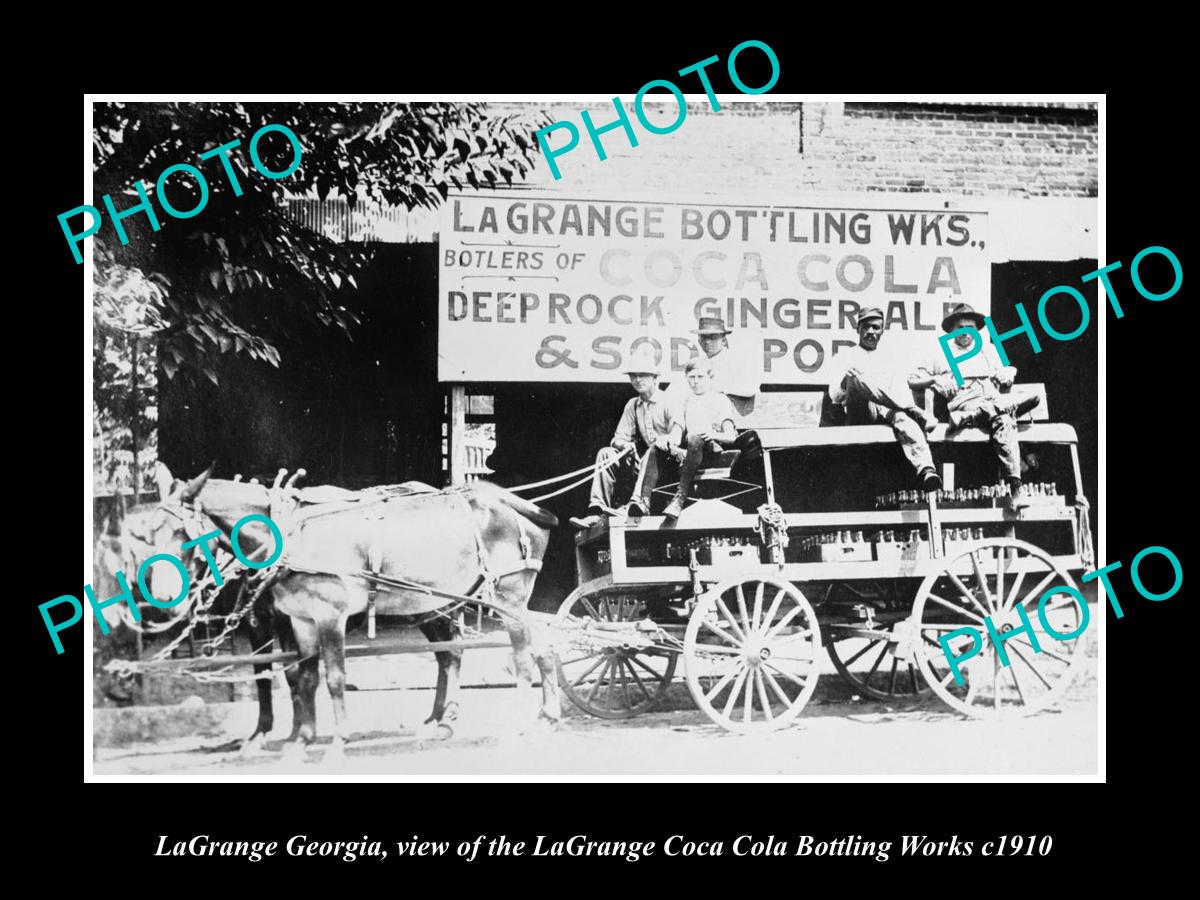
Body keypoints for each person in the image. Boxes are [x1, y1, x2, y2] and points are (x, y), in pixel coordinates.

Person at [908, 302, 1041, 509]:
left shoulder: (988, 350)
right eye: (960, 328)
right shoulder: (939, 352)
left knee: (1030, 400)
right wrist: (934, 380)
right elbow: (912, 380)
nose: (965, 333)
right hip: (964, 400)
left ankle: (1015, 487)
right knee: (1004, 418)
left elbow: (1005, 380)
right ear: (951, 330)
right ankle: (1016, 487)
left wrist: (1010, 373)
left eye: (970, 328)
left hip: (992, 400)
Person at [825, 306, 942, 493]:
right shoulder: (845, 356)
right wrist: (846, 382)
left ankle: (926, 469)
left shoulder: (890, 359)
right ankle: (916, 411)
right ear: (858, 329)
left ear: (882, 331)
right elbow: (835, 397)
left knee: (903, 419)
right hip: (859, 412)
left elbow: (900, 392)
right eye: (866, 327)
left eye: (876, 328)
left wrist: (898, 406)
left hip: (887, 411)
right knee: (857, 377)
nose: (871, 332)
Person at [570, 346, 675, 529]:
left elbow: (677, 435)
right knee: (606, 453)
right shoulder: (633, 405)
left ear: (655, 378)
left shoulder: (668, 401)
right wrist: (625, 445)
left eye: (643, 375)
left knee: (653, 451)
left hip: (667, 469)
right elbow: (617, 438)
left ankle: (637, 504)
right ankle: (596, 509)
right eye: (633, 375)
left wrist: (664, 442)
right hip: (642, 467)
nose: (637, 379)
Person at [664, 315, 765, 488]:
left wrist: (722, 391)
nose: (707, 342)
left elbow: (752, 388)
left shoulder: (735, 361)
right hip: (701, 433)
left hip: (731, 430)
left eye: (713, 337)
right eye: (704, 338)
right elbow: (676, 389)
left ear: (723, 339)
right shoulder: (699, 363)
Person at [661, 357, 740, 519]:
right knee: (659, 448)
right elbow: (678, 430)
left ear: (710, 378)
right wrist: (671, 441)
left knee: (695, 436)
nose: (695, 382)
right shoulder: (685, 401)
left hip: (715, 452)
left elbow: (730, 437)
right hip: (692, 453)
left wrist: (712, 434)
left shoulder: (720, 400)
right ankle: (643, 501)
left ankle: (679, 497)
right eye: (691, 377)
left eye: (700, 377)